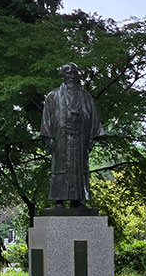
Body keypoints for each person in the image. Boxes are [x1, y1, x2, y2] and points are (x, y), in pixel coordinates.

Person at [41, 62, 103, 206]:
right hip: (60, 138)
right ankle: (59, 200)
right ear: (63, 76)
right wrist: (49, 138)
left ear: (78, 75)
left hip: (80, 138)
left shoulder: (85, 97)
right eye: (68, 73)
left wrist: (92, 137)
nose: (72, 76)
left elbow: (93, 118)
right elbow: (47, 119)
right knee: (60, 168)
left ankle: (77, 200)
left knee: (79, 168)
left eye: (74, 73)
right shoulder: (53, 96)